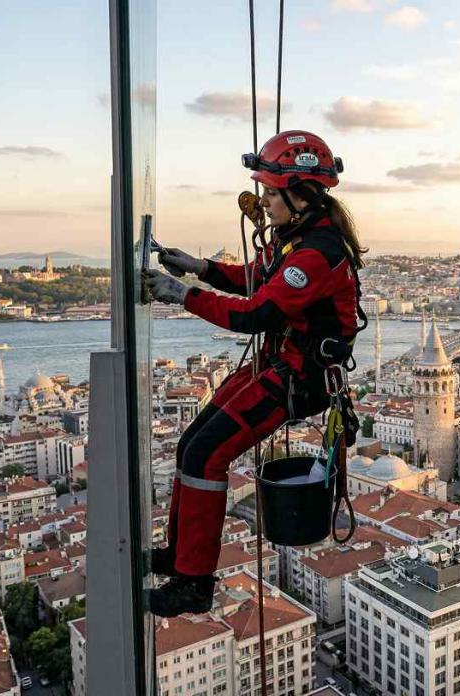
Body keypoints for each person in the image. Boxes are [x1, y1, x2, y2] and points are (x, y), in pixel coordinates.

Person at [141, 130, 364, 617]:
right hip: (282, 365)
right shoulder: (297, 240)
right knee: (190, 446)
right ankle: (177, 557)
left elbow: (254, 314)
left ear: (299, 194)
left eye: (269, 191)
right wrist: (199, 267)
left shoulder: (315, 254)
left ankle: (193, 582)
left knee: (205, 454)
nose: (263, 202)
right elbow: (256, 276)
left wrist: (182, 294)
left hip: (298, 379)